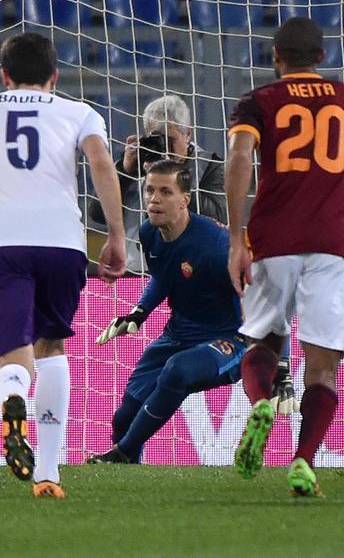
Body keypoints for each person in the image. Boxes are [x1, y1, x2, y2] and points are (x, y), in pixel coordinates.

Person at [0, 31, 126, 499]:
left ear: (4, 76)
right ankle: (48, 474)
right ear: (55, 76)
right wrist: (116, 235)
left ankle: (13, 396)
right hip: (63, 245)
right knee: (51, 347)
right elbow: (101, 162)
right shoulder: (79, 112)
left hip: (1, 248)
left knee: (15, 360)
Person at [227, 16, 344, 497]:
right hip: (335, 248)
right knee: (322, 367)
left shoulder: (258, 101)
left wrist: (236, 238)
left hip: (274, 240)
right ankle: (303, 462)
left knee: (262, 342)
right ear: (322, 57)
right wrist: (343, 215)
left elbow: (239, 158)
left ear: (276, 57)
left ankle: (262, 402)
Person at [91, 95, 297, 415]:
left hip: (201, 276)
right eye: (155, 137)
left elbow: (218, 217)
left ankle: (267, 385)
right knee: (145, 386)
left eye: (170, 139)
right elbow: (97, 214)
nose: (162, 146)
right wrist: (126, 169)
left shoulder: (211, 165)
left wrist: (177, 181)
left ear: (188, 135)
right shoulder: (141, 164)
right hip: (141, 273)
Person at [86, 160, 245, 464]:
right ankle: (128, 471)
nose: (154, 199)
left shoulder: (216, 246)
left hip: (229, 339)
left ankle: (123, 453)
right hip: (178, 334)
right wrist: (139, 312)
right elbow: (163, 275)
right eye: (149, 190)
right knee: (123, 419)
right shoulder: (149, 232)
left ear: (185, 200)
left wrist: (279, 362)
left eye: (165, 192)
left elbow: (258, 296)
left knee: (178, 370)